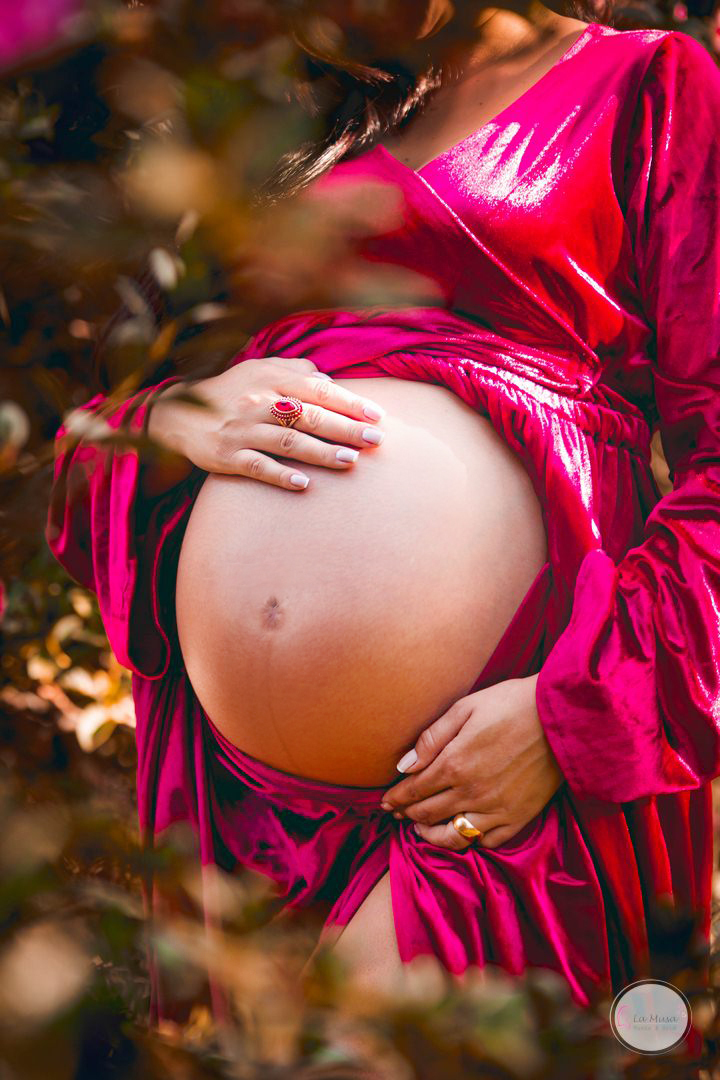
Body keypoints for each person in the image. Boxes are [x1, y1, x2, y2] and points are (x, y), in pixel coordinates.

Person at [46, 0, 720, 1036]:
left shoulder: (649, 84)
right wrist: (172, 419)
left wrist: (574, 715)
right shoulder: (283, 125)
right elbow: (87, 445)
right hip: (247, 800)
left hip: (498, 762)